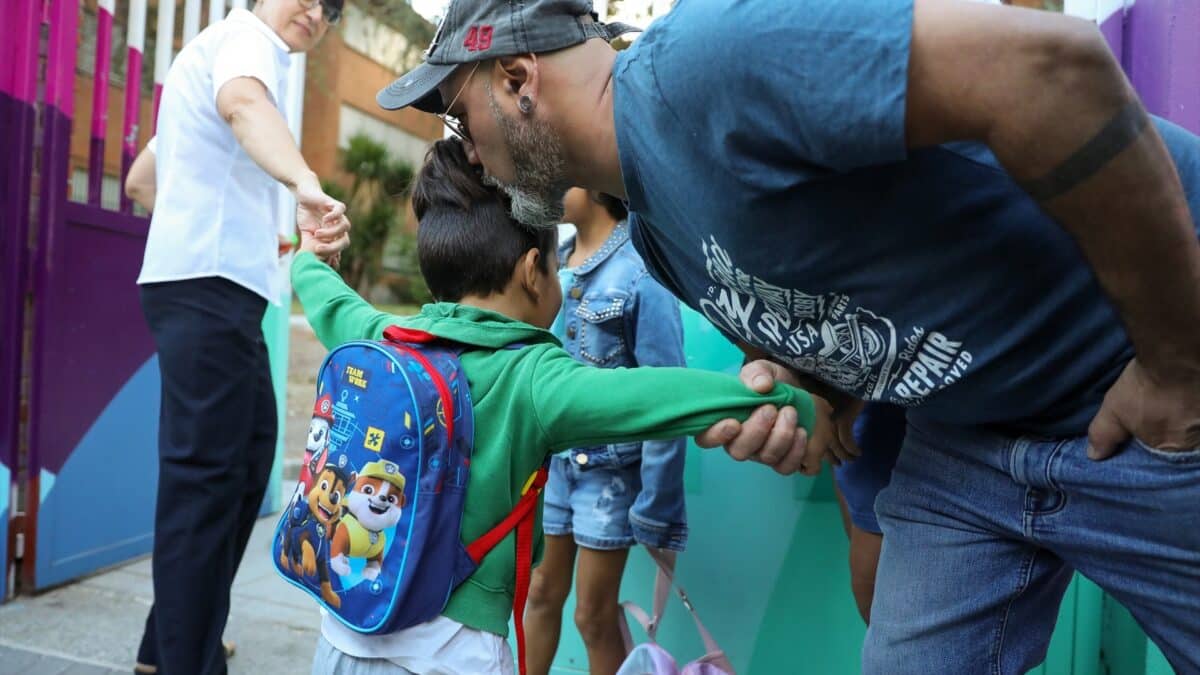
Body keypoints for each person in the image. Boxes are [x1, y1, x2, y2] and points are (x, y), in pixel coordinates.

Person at [373, 1, 1200, 672]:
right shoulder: (657, 233)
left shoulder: (699, 63)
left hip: (1143, 374)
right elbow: (840, 271)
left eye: (456, 116)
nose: (467, 156)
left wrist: (1175, 361)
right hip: (971, 436)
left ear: (518, 78)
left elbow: (1055, 69)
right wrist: (816, 394)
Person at [292, 139, 816, 675]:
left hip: (342, 639)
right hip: (448, 658)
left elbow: (329, 299)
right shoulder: (533, 379)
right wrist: (792, 399)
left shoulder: (384, 336)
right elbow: (655, 394)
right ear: (532, 269)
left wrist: (311, 254)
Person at [131, 0, 349, 672]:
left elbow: (144, 181)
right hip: (208, 289)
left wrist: (213, 220)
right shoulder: (250, 44)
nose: (317, 13)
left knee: (248, 461)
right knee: (208, 479)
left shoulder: (217, 49)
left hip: (211, 287)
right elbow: (245, 106)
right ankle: (185, 658)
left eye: (333, 8)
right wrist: (306, 182)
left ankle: (169, 638)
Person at [525, 188, 688, 674]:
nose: (549, 185)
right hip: (553, 467)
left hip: (610, 479)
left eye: (563, 176)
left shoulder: (643, 271)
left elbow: (667, 396)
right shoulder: (553, 260)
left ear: (597, 187)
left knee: (593, 617)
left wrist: (657, 506)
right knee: (538, 594)